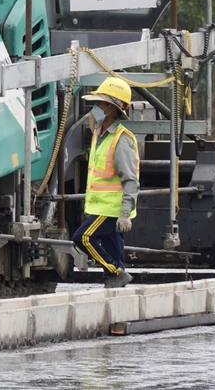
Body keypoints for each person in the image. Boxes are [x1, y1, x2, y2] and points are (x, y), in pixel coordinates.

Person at [71, 76, 140, 288]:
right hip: (101, 207)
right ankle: (117, 282)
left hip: (112, 210)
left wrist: (125, 214)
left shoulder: (121, 139)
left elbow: (130, 180)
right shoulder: (99, 134)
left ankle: (114, 272)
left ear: (111, 108)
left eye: (99, 104)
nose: (95, 108)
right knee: (115, 252)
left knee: (82, 238)